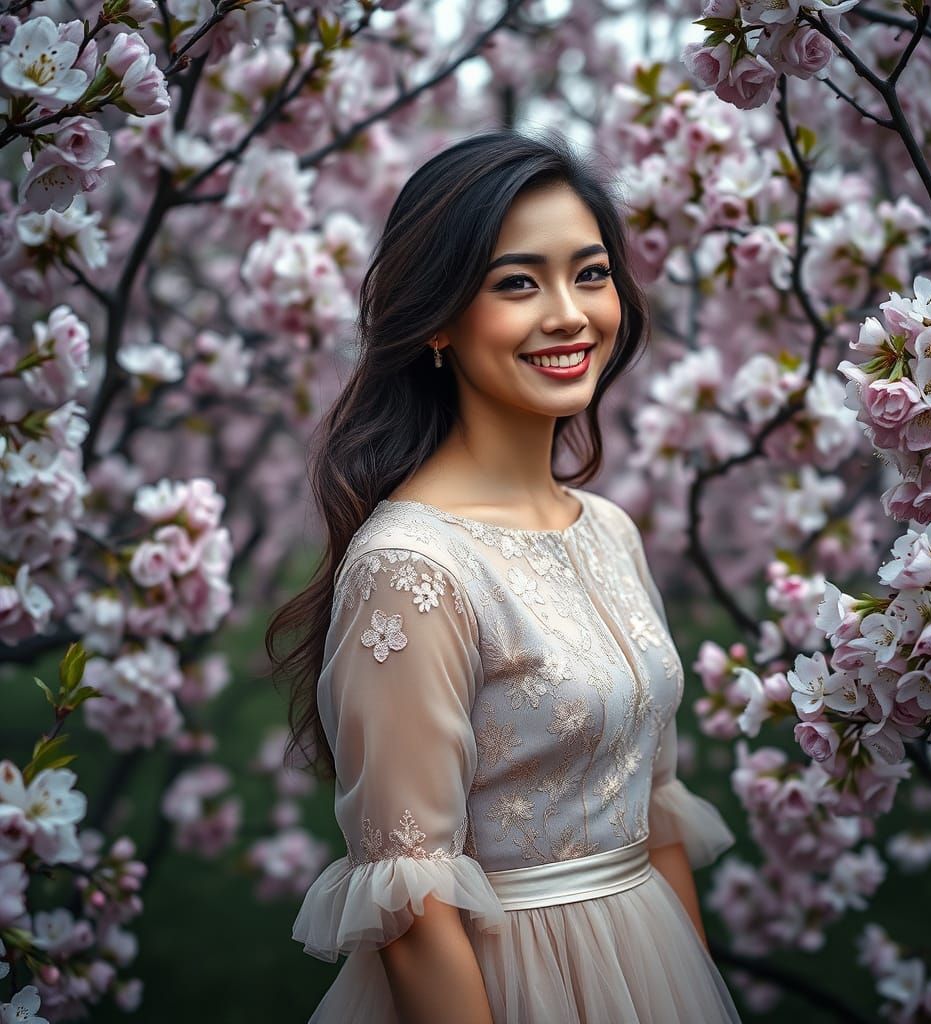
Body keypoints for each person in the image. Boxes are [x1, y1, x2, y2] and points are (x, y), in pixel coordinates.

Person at [266, 128, 743, 1024]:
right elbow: (412, 911)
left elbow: (656, 809)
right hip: (512, 983)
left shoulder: (609, 530)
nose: (569, 315)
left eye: (590, 274)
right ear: (438, 319)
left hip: (652, 967)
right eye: (518, 283)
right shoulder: (412, 568)